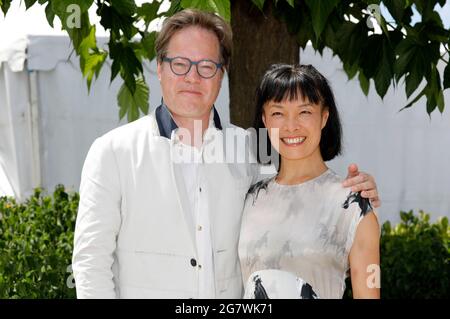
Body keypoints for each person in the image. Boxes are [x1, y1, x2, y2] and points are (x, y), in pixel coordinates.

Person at [72, 9, 380, 299]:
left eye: (206, 66)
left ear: (223, 73)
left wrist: (358, 194)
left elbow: (301, 192)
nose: (192, 77)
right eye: (180, 64)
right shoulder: (113, 152)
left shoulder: (252, 148)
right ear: (160, 67)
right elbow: (91, 264)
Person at [239, 64, 380, 299]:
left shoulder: (353, 204)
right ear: (264, 120)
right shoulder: (249, 198)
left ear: (324, 117)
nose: (291, 125)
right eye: (277, 113)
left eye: (304, 112)